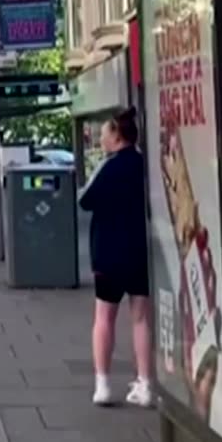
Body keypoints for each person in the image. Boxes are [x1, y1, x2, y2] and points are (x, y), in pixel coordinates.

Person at [78, 107, 152, 407]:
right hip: (138, 250)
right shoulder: (144, 164)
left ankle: (103, 384)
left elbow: (85, 200)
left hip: (108, 253)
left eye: (104, 134)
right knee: (141, 319)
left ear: (116, 136)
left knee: (104, 318)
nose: (100, 139)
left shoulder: (108, 168)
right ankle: (146, 384)